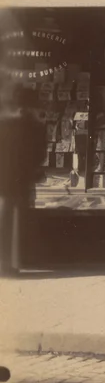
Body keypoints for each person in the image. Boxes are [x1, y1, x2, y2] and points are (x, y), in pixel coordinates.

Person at [0, 109, 47, 276]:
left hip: (9, 181)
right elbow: (39, 154)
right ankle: (13, 261)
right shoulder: (32, 125)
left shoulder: (8, 123)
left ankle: (8, 262)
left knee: (8, 217)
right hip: (17, 181)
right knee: (15, 217)